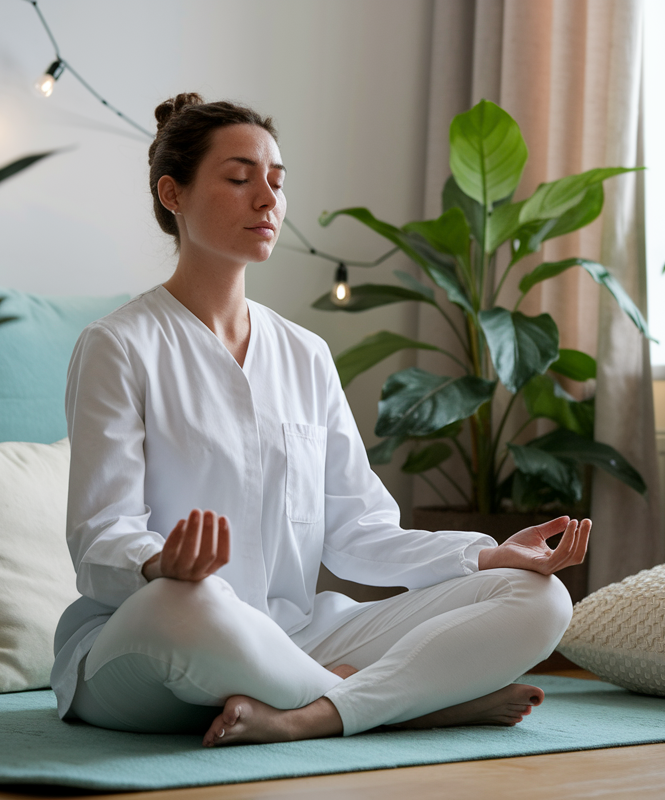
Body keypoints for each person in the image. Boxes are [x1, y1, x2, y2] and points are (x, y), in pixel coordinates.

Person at [51, 93, 590, 747]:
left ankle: (313, 711)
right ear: (174, 194)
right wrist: (159, 564)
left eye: (277, 182)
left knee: (537, 599)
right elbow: (100, 537)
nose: (267, 200)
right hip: (150, 636)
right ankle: (400, 702)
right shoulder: (119, 345)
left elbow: (358, 531)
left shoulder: (305, 354)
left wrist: (484, 554)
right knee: (192, 605)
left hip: (294, 631)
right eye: (240, 178)